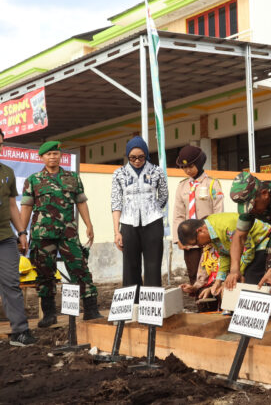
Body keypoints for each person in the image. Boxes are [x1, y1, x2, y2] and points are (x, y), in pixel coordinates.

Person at [21, 141, 101, 327]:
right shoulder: (33, 180)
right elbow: (26, 207)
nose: (52, 157)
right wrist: (22, 232)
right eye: (48, 154)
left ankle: (91, 309)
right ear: (42, 157)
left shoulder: (72, 178)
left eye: (55, 154)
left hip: (68, 232)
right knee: (44, 273)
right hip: (42, 234)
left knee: (79, 268)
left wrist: (89, 224)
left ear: (60, 156)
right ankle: (49, 314)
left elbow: (81, 202)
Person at [177, 213, 271, 314]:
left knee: (250, 281)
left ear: (200, 231)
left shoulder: (226, 228)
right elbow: (225, 254)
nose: (200, 246)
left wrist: (236, 273)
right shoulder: (211, 231)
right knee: (236, 281)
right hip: (249, 248)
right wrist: (218, 281)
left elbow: (248, 251)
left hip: (263, 240)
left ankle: (261, 317)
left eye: (196, 242)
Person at [111, 136, 169, 288]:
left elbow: (163, 196)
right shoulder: (119, 174)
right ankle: (133, 300)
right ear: (127, 156)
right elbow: (116, 203)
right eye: (132, 157)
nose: (137, 161)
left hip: (153, 223)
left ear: (146, 154)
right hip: (128, 223)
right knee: (130, 267)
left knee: (153, 266)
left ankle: (150, 300)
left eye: (141, 157)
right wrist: (117, 232)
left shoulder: (157, 171)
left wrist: (152, 208)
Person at [0, 130, 36, 345]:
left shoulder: (7, 173)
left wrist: (22, 232)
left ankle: (20, 332)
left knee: (11, 284)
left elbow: (13, 205)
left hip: (5, 237)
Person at [172, 145, 223, 285]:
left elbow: (218, 212)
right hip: (190, 241)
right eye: (184, 167)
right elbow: (178, 214)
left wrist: (214, 236)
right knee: (193, 274)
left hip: (208, 239)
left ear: (199, 163)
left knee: (211, 273)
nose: (187, 170)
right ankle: (197, 299)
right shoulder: (182, 186)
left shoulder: (212, 184)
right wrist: (178, 239)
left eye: (191, 166)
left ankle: (212, 299)